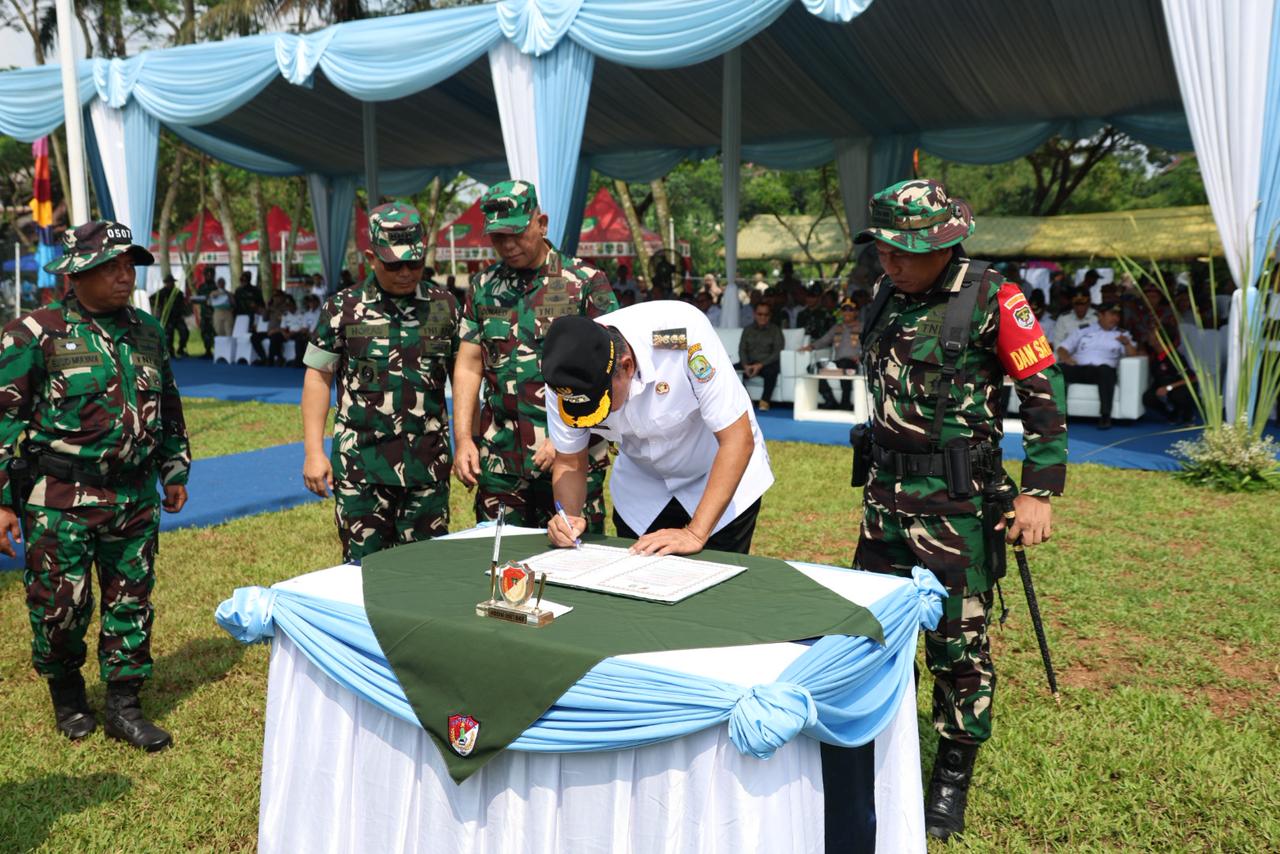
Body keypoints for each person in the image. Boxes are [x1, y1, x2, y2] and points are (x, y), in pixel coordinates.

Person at [852, 180, 1067, 840]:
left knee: (956, 648)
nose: (890, 261)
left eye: (903, 250)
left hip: (954, 508)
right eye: (883, 248)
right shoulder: (886, 292)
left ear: (945, 242)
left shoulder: (992, 298)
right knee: (871, 637)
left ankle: (950, 779)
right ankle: (872, 756)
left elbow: (1043, 394)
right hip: (883, 504)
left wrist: (1038, 491)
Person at [0, 220, 191, 750]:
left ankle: (125, 705)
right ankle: (67, 695)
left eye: (129, 264)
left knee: (131, 599)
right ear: (77, 271)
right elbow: (3, 423)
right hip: (60, 497)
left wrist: (175, 468)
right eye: (111, 265)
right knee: (59, 606)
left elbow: (167, 407)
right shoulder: (33, 334)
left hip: (133, 494)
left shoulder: (148, 332)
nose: (124, 275)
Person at [542, 304, 773, 555]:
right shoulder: (565, 377)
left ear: (627, 366)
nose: (598, 413)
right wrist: (569, 520)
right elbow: (569, 459)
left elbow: (737, 440)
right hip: (642, 489)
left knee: (718, 584)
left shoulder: (681, 335)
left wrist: (694, 533)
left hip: (716, 475)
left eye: (601, 404)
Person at [452, 179, 617, 530]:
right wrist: (464, 439)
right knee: (502, 565)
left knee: (574, 559)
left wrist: (570, 440)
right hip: (501, 460)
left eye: (517, 233)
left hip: (573, 456)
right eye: (498, 237)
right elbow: (469, 366)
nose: (509, 246)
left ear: (541, 223)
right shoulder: (483, 288)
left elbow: (611, 371)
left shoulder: (585, 282)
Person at [301, 202, 460, 561]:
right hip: (362, 469)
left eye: (414, 263)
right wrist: (313, 452)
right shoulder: (342, 308)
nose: (405, 272)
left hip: (427, 468)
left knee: (425, 571)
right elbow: (318, 377)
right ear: (371, 257)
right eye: (393, 264)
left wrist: (468, 441)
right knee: (362, 573)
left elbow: (464, 378)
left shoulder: (445, 306)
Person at [1057, 302, 1138, 429]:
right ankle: (1060, 415)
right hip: (1080, 368)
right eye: (1112, 315)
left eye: (1117, 315)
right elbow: (1062, 348)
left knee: (1105, 370)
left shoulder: (1123, 334)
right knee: (1057, 370)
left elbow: (1133, 355)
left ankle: (1105, 416)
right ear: (1100, 315)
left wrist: (1127, 344)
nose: (1115, 318)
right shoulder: (1083, 330)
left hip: (1103, 372)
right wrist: (1066, 358)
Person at [800, 299, 860, 409]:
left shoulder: (862, 327)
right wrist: (810, 347)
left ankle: (845, 403)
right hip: (837, 363)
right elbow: (824, 340)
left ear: (856, 312)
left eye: (850, 310)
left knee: (845, 363)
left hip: (854, 363)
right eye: (844, 310)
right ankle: (830, 399)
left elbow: (869, 345)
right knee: (813, 367)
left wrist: (862, 356)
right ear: (841, 312)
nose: (847, 312)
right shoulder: (837, 327)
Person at [1142, 326, 1196, 424]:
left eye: (1152, 334)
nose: (1148, 336)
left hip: (1177, 386)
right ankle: (1170, 413)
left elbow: (1192, 378)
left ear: (1160, 340)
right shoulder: (1155, 354)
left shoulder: (1175, 357)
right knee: (1148, 397)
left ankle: (1188, 414)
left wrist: (1169, 387)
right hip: (1162, 383)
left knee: (1179, 395)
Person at [737, 301, 784, 411]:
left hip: (767, 363)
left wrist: (760, 365)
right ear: (754, 314)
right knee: (730, 371)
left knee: (772, 371)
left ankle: (765, 401)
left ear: (770, 316)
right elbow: (742, 349)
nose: (762, 317)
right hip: (749, 363)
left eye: (766, 315)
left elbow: (777, 352)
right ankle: (746, 400)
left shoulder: (775, 330)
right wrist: (745, 365)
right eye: (760, 314)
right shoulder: (748, 329)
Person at [149, 274, 190, 358]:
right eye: (168, 282)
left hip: (178, 318)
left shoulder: (178, 293)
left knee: (185, 332)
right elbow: (151, 299)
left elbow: (183, 305)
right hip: (168, 318)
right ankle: (171, 352)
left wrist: (183, 312)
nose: (170, 284)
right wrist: (159, 307)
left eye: (171, 282)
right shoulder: (162, 292)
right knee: (169, 336)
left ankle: (181, 349)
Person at [1051, 287, 1097, 351]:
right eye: (1076, 304)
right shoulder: (1064, 318)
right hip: (1067, 356)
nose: (1079, 308)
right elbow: (1058, 342)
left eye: (1082, 304)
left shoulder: (1097, 318)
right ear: (1072, 303)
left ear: (1089, 303)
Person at [192, 266, 218, 358]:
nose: (209, 276)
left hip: (213, 314)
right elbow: (198, 298)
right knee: (204, 331)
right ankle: (207, 350)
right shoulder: (202, 287)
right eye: (207, 274)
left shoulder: (216, 287)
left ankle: (217, 351)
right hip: (204, 313)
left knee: (214, 332)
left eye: (210, 274)